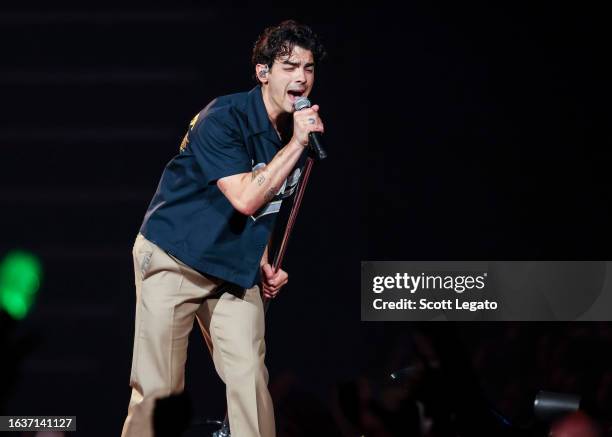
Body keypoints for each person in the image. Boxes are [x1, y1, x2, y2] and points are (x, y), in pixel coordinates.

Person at [121, 20, 326, 437]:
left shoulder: (287, 135)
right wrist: (297, 146)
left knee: (249, 377)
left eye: (307, 68)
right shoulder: (224, 117)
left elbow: (264, 211)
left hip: (232, 270)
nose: (301, 77)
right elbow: (247, 197)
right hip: (174, 259)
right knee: (160, 390)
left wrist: (263, 261)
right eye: (289, 66)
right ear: (263, 72)